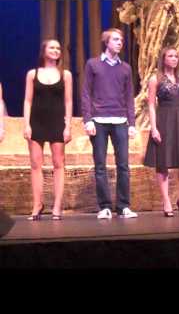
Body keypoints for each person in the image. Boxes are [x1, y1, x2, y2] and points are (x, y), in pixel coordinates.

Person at [82, 28, 138, 220]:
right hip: (98, 120)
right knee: (100, 165)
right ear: (106, 42)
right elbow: (86, 93)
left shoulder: (125, 68)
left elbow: (129, 96)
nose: (119, 42)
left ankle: (123, 206)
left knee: (123, 165)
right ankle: (104, 206)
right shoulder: (93, 64)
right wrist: (87, 119)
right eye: (115, 39)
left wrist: (132, 123)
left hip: (120, 120)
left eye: (121, 40)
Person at [23, 39, 73, 220]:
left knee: (58, 164)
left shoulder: (65, 74)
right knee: (36, 164)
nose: (56, 50)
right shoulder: (32, 74)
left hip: (57, 122)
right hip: (36, 121)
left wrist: (68, 126)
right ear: (44, 51)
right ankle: (37, 205)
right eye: (52, 47)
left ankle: (57, 206)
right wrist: (26, 124)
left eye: (58, 48)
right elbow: (28, 100)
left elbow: (68, 101)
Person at [143, 47, 179, 217]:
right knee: (163, 162)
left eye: (175, 56)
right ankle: (166, 201)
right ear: (163, 59)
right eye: (170, 56)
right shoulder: (155, 79)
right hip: (164, 120)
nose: (174, 59)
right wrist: (154, 127)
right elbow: (151, 104)